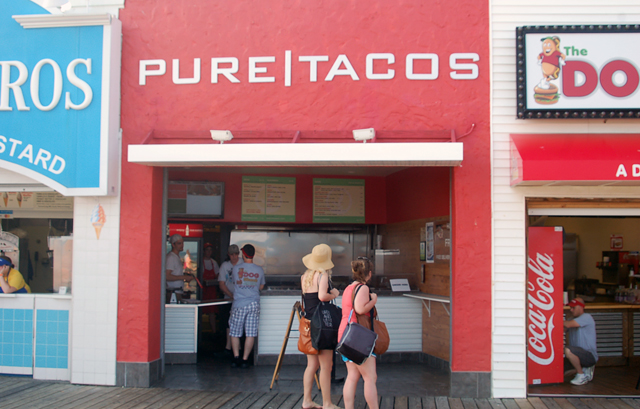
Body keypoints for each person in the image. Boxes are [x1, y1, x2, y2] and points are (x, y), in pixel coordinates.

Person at [300, 244, 341, 409]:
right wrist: (335, 294)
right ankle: (327, 403)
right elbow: (323, 296)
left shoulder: (305, 276)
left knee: (311, 366)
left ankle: (307, 400)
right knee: (326, 366)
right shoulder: (322, 275)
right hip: (322, 326)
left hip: (308, 324)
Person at [339, 257, 378, 409]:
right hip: (358, 337)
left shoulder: (349, 288)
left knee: (352, 376)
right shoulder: (363, 288)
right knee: (370, 377)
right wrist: (373, 300)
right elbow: (360, 309)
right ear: (368, 273)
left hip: (345, 334)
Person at [229, 244, 265, 368]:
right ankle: (245, 359)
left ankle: (236, 358)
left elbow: (234, 282)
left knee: (235, 332)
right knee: (250, 333)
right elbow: (261, 287)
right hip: (254, 303)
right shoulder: (259, 270)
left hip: (239, 303)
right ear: (253, 255)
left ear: (243, 255)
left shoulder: (236, 269)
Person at [564, 297, 598, 385]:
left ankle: (581, 374)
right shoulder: (570, 319)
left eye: (573, 308)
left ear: (581, 307)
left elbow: (568, 324)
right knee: (560, 372)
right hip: (577, 355)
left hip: (589, 355)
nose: (571, 310)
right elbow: (562, 328)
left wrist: (554, 318)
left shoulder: (586, 317)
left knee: (568, 350)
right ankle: (583, 369)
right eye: (570, 308)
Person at [218, 244, 241, 355]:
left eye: (236, 254)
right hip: (228, 299)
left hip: (241, 300)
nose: (234, 257)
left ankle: (238, 348)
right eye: (232, 254)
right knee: (228, 324)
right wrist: (231, 295)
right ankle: (228, 347)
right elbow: (221, 284)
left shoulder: (243, 264)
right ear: (228, 255)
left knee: (240, 324)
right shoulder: (224, 266)